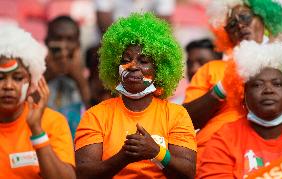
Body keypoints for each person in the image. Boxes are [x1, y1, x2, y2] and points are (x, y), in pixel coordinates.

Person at [75, 13, 197, 179]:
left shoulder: (177, 115)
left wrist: (156, 152)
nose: (133, 66)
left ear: (159, 69)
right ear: (115, 67)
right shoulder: (95, 116)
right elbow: (84, 174)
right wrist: (124, 156)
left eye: (144, 61)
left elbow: (188, 173)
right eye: (126, 60)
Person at [182, 0, 282, 167]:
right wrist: (222, 88)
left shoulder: (280, 64)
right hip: (212, 155)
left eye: (245, 17)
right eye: (231, 25)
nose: (240, 26)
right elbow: (186, 122)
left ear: (263, 17)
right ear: (226, 35)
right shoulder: (212, 69)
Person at [197, 41, 282, 179]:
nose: (268, 90)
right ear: (242, 94)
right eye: (257, 85)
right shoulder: (225, 138)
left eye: (277, 84)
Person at [0, 26, 75, 178]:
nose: (8, 86)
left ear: (32, 82)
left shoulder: (53, 122)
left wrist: (37, 131)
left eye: (18, 78)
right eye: (0, 78)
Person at [44, 16, 91, 138]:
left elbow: (96, 116)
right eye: (57, 38)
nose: (63, 45)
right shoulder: (34, 74)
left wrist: (79, 78)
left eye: (70, 39)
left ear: (78, 44)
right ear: (47, 41)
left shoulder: (91, 75)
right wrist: (48, 75)